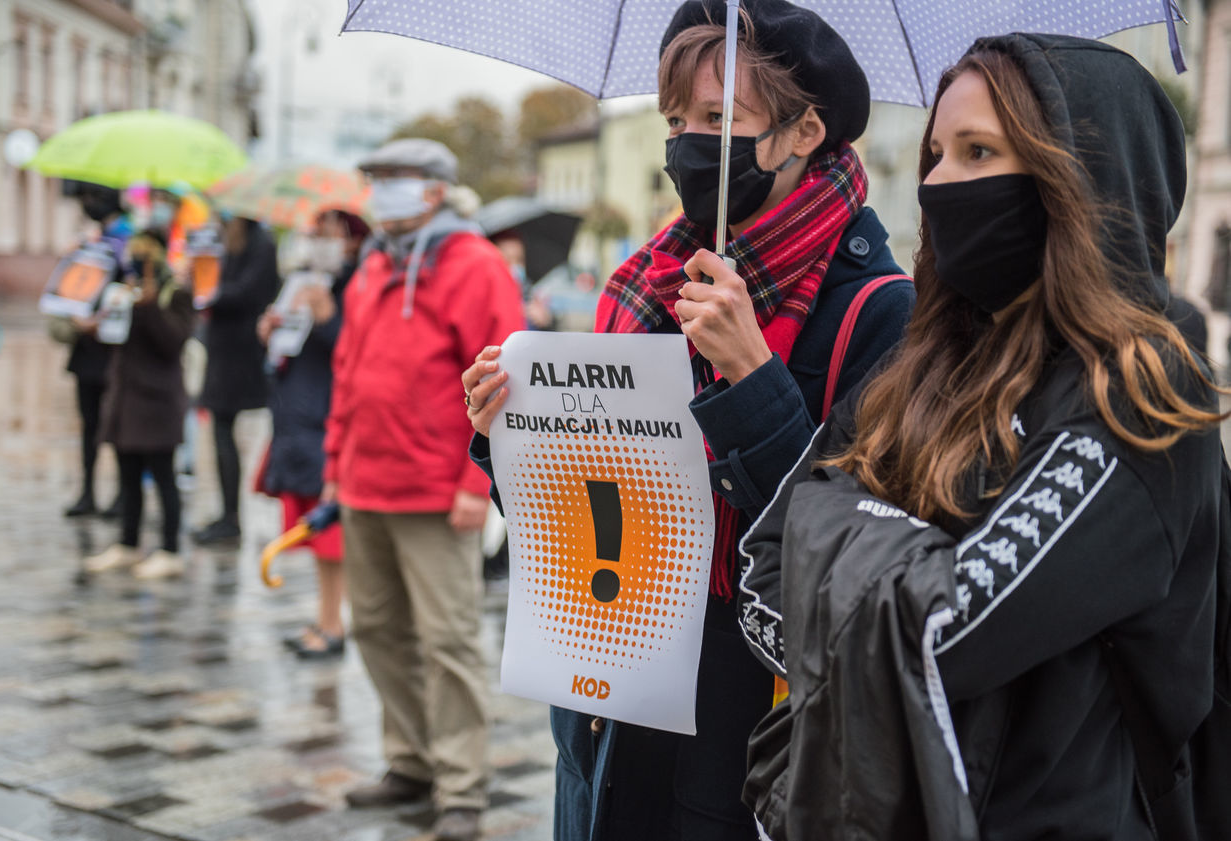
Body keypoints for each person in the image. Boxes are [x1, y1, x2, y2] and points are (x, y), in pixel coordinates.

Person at [737, 34, 1227, 841]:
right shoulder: (918, 362)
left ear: (1081, 174)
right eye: (935, 154)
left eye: (977, 152)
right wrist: (901, 567)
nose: (938, 183)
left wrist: (844, 537)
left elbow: (950, 632)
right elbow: (762, 569)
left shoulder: (1140, 378)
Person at [463, 2, 915, 838]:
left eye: (718, 118)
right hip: (611, 697)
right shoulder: (647, 286)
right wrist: (508, 440)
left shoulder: (879, 311)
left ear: (804, 129)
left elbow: (858, 551)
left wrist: (753, 375)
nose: (685, 143)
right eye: (675, 119)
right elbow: (585, 523)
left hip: (743, 718)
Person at [326, 138, 525, 841]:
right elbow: (348, 371)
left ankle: (461, 783)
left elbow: (504, 379)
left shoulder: (476, 265)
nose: (381, 190)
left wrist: (478, 479)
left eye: (394, 178)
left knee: (448, 639)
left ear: (436, 190)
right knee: (378, 629)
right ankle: (409, 759)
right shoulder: (374, 263)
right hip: (365, 482)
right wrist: (334, 461)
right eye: (374, 177)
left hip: (437, 491)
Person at [258, 209, 370, 659]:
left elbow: (355, 353)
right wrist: (270, 330)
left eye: (330, 234)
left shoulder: (358, 285)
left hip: (325, 422)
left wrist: (327, 321)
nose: (319, 241)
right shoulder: (304, 280)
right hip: (294, 417)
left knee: (329, 533)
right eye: (315, 233)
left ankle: (332, 624)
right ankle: (325, 618)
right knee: (314, 530)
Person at [82, 232, 197, 579]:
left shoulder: (175, 294)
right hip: (126, 398)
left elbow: (172, 342)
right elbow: (111, 338)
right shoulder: (122, 291)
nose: (137, 259)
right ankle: (128, 543)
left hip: (157, 400)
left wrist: (148, 309)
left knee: (163, 476)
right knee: (127, 475)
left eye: (145, 254)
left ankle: (170, 549)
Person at [193, 215, 279, 545]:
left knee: (224, 428)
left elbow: (248, 292)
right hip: (223, 350)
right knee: (219, 429)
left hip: (241, 353)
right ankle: (227, 513)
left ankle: (231, 517)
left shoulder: (262, 244)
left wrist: (211, 293)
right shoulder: (230, 242)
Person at [50, 182, 130, 518]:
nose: (86, 205)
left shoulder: (131, 241)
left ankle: (124, 495)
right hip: (87, 351)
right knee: (90, 424)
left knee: (119, 426)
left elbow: (132, 291)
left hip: (115, 350)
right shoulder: (89, 242)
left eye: (90, 198)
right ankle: (87, 491)